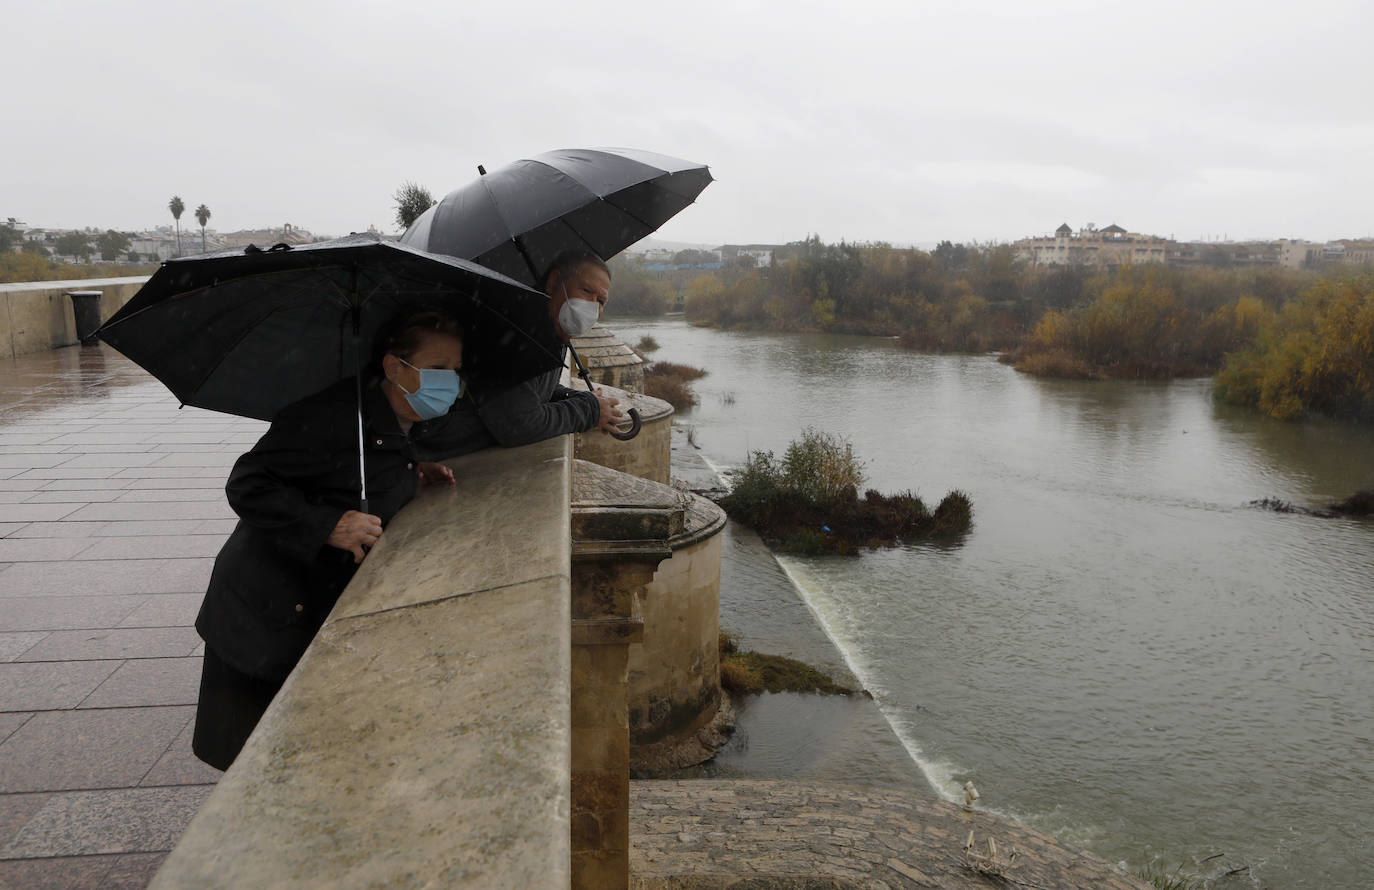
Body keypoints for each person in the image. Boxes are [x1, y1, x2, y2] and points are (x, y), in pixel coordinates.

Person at [191, 309, 465, 770]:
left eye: (455, 370)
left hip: (303, 602)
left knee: (297, 751)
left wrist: (409, 475)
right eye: (438, 369)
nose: (451, 382)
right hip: (266, 612)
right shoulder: (329, 415)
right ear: (395, 367)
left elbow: (350, 475)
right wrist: (329, 524)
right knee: (257, 758)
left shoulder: (392, 416)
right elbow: (248, 482)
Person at [412, 250, 626, 458]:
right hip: (433, 449)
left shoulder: (548, 331)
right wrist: (588, 411)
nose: (592, 307)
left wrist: (582, 399)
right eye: (587, 291)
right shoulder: (517, 333)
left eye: (601, 301)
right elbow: (518, 425)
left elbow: (531, 389)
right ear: (553, 283)